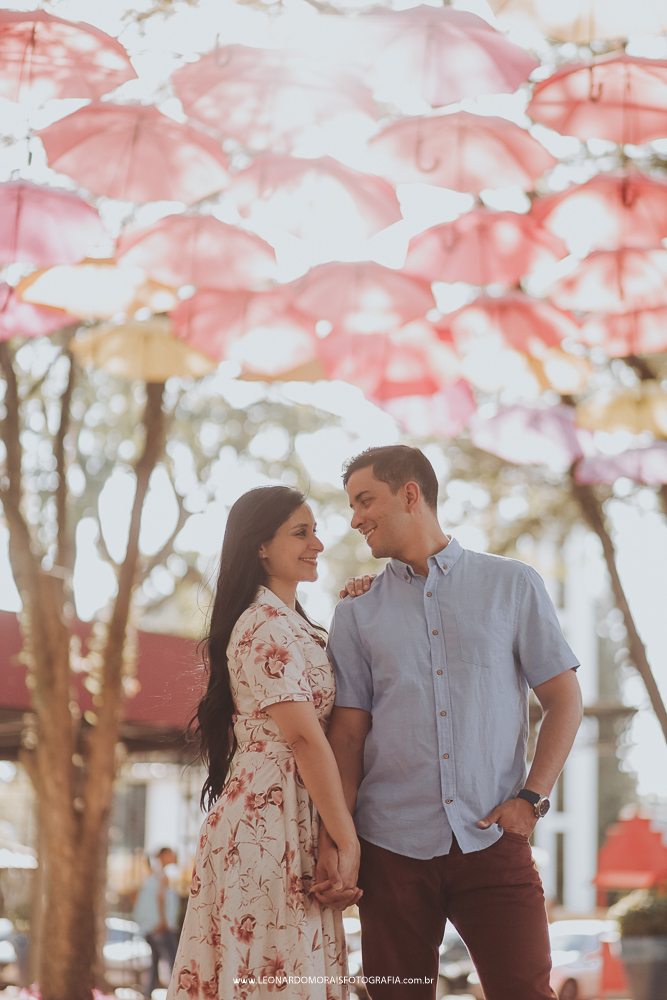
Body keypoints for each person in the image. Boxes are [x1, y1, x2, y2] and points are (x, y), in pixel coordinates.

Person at [316, 445, 584, 1000]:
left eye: (365, 500)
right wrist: (337, 839)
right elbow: (347, 737)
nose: (355, 518)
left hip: (493, 839)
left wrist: (532, 799)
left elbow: (564, 699)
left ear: (410, 494)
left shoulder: (512, 585)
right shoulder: (357, 612)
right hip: (390, 849)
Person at [168, 486, 360, 1000]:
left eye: (315, 531)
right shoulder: (262, 624)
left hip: (288, 810)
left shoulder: (293, 624)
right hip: (268, 821)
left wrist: (363, 601)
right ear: (260, 546)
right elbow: (302, 737)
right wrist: (346, 839)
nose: (317, 544)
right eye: (301, 533)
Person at [133, 847, 180, 997]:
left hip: (153, 927)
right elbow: (161, 899)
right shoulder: (162, 877)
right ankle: (175, 994)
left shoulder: (153, 877)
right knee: (173, 963)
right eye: (171, 854)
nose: (174, 857)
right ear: (164, 856)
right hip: (161, 927)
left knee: (154, 965)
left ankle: (148, 994)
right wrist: (163, 922)